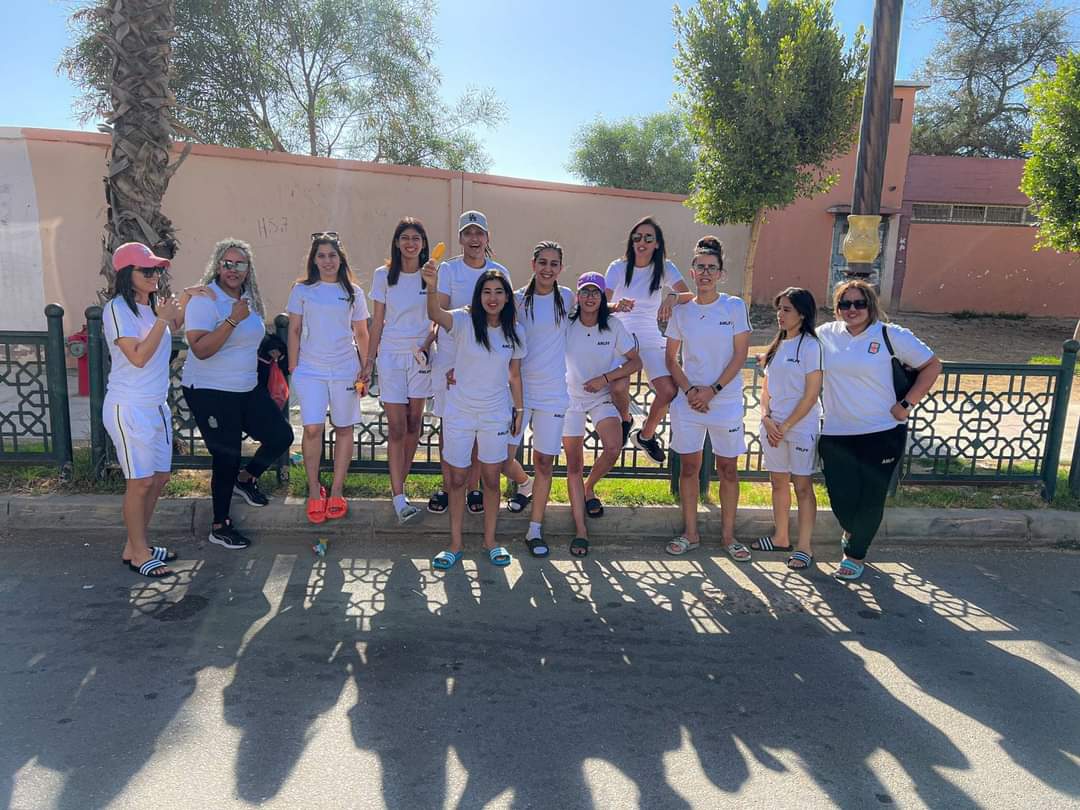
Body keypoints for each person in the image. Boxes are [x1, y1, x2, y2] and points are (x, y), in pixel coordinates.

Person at [817, 280, 942, 581]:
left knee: (872, 497)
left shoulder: (890, 335)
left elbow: (932, 365)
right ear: (836, 308)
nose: (852, 309)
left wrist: (906, 404)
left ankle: (855, 554)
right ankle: (854, 530)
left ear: (871, 305)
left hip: (882, 431)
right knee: (841, 498)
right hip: (836, 432)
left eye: (859, 303)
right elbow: (794, 349)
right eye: (845, 304)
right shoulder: (825, 334)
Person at [102, 242, 210, 578]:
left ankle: (136, 545)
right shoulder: (117, 309)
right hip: (129, 406)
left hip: (156, 405)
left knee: (159, 478)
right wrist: (162, 321)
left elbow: (172, 323)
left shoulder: (150, 306)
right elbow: (137, 356)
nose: (155, 275)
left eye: (158, 270)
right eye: (146, 270)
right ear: (126, 274)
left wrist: (186, 298)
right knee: (140, 482)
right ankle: (139, 553)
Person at [181, 239, 294, 550]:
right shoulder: (205, 300)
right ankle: (219, 525)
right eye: (227, 263)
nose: (233, 269)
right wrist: (232, 320)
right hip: (210, 390)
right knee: (226, 455)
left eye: (239, 264)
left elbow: (248, 335)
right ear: (218, 266)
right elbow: (200, 349)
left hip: (245, 387)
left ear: (248, 269)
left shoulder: (247, 298)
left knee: (280, 436)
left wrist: (270, 345)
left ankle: (245, 480)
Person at [423, 264, 525, 570]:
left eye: (498, 292)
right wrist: (431, 286)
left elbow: (514, 376)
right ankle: (455, 545)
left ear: (506, 297)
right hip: (460, 412)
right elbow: (435, 313)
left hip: (495, 414)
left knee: (491, 479)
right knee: (457, 479)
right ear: (478, 296)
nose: (492, 298)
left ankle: (490, 542)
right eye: (486, 292)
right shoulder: (463, 321)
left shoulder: (515, 332)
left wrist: (519, 411)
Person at [663, 236, 752, 561]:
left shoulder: (734, 306)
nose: (705, 273)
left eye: (711, 268)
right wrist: (690, 391)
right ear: (692, 272)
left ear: (721, 273)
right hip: (689, 403)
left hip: (724, 402)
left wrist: (713, 390)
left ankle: (728, 537)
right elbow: (671, 359)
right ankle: (691, 533)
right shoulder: (682, 311)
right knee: (689, 468)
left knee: (728, 469)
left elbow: (740, 355)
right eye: (700, 267)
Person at [427, 210, 512, 515]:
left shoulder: (499, 271)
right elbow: (440, 312)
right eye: (468, 233)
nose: (474, 239)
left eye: (479, 233)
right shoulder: (448, 270)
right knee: (451, 425)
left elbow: (506, 315)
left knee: (479, 427)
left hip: (483, 362)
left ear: (487, 238)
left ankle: (474, 488)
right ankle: (449, 486)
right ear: (460, 238)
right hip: (450, 356)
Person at [287, 232, 370, 525]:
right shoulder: (302, 290)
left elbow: (361, 332)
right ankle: (314, 489)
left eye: (332, 255)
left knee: (344, 427)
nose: (327, 261)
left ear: (340, 259)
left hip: (345, 369)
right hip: (311, 370)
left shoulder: (354, 293)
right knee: (312, 428)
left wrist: (366, 367)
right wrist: (294, 368)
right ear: (314, 260)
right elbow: (294, 330)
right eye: (321, 256)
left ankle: (336, 490)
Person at [562, 272, 642, 558]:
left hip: (600, 397)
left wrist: (605, 378)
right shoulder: (566, 322)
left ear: (602, 296)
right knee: (574, 464)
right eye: (585, 291)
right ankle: (581, 530)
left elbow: (635, 362)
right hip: (569, 400)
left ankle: (589, 488)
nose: (590, 297)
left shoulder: (614, 325)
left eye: (595, 292)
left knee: (613, 447)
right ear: (578, 296)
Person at [504, 241, 575, 558]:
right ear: (533, 264)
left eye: (554, 263)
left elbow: (595, 309)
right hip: (518, 392)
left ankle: (535, 529)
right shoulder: (517, 299)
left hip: (553, 394)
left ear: (561, 268)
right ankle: (525, 484)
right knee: (501, 457)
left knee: (544, 462)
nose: (548, 268)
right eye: (542, 262)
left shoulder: (568, 298)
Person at [604, 216, 692, 464]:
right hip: (621, 336)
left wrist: (672, 297)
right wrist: (616, 306)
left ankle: (645, 435)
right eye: (637, 237)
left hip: (650, 336)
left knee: (668, 390)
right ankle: (626, 420)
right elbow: (600, 303)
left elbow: (689, 295)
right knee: (617, 388)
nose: (641, 242)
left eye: (648, 238)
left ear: (657, 243)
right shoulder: (618, 267)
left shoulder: (665, 267)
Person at [365, 218, 434, 525]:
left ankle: (399, 487)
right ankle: (398, 496)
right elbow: (377, 322)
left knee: (414, 422)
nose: (410, 243)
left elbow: (436, 317)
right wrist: (369, 361)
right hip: (391, 356)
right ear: (396, 242)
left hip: (421, 356)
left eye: (416, 238)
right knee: (396, 426)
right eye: (405, 238)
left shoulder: (430, 274)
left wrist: (427, 345)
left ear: (423, 243)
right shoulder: (383, 275)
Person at [751, 287, 823, 572]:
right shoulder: (777, 344)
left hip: (800, 427)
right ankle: (780, 537)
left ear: (802, 314)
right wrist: (767, 418)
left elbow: (811, 395)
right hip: (774, 428)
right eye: (779, 309)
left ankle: (804, 547)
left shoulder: (811, 347)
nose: (780, 315)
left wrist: (786, 426)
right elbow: (766, 390)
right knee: (778, 482)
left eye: (787, 310)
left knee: (803, 486)